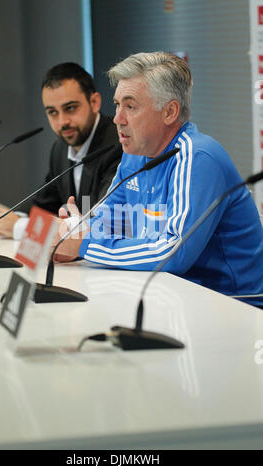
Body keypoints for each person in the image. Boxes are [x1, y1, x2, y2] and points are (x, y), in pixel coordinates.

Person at [53, 51, 263, 307]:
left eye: (130, 106)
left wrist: (83, 244)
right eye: (118, 105)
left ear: (170, 112)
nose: (118, 119)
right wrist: (74, 229)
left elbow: (173, 252)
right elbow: (108, 221)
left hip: (234, 305)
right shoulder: (135, 155)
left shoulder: (197, 157)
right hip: (174, 296)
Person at [0, 62, 122, 239]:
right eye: (52, 112)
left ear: (94, 102)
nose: (62, 121)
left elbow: (99, 222)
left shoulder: (119, 144)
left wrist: (20, 227)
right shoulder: (60, 148)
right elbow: (44, 204)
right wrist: (11, 218)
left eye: (70, 108)